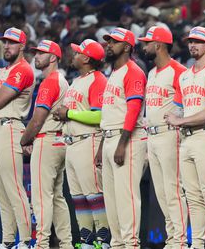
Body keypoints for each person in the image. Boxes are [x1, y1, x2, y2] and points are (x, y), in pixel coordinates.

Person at [165, 26, 205, 249]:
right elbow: (182, 110)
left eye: (198, 41)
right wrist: (173, 117)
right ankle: (197, 244)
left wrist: (180, 120)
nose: (193, 45)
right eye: (190, 41)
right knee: (192, 196)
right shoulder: (184, 76)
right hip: (187, 138)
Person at [52, 39, 110, 248]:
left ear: (86, 58)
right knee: (78, 197)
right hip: (72, 143)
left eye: (78, 53)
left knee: (94, 195)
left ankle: (103, 242)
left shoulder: (98, 80)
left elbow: (99, 116)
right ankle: (87, 241)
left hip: (89, 141)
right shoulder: (77, 81)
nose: (74, 55)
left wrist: (69, 113)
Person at [95, 27, 147, 248]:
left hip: (126, 139)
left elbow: (133, 110)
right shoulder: (114, 73)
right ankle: (118, 244)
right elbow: (108, 114)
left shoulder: (133, 71)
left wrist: (121, 145)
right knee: (112, 200)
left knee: (126, 198)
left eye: (114, 42)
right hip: (109, 137)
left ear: (126, 47)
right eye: (108, 41)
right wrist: (101, 146)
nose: (109, 45)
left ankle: (130, 244)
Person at [20, 40, 73, 249]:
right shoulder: (62, 80)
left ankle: (41, 244)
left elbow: (38, 118)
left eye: (41, 53)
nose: (36, 56)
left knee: (42, 197)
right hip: (60, 141)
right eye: (36, 52)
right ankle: (66, 244)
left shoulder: (50, 81)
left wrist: (25, 140)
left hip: (47, 140)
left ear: (53, 57)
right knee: (57, 197)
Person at [140, 26, 189, 249]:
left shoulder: (178, 70)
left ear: (158, 45)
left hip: (170, 135)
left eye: (147, 43)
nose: (144, 46)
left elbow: (187, 104)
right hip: (152, 136)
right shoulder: (151, 73)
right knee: (161, 193)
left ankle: (178, 241)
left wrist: (177, 119)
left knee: (173, 191)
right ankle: (172, 240)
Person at [0, 28, 34, 249]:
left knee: (14, 188)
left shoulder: (22, 70)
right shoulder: (2, 71)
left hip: (9, 128)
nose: (7, 46)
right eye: (5, 42)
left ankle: (26, 240)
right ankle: (8, 240)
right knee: (0, 192)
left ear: (21, 46)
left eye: (12, 42)